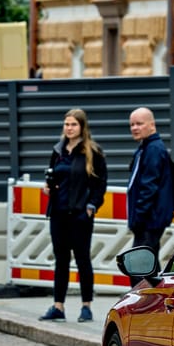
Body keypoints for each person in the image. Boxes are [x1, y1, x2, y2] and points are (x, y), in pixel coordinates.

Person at [40, 109, 107, 323]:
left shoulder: (92, 152)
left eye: (73, 125)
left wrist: (91, 206)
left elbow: (100, 184)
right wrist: (48, 187)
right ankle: (58, 305)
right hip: (58, 213)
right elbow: (53, 175)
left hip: (80, 214)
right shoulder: (58, 150)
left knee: (82, 259)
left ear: (82, 127)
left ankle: (86, 306)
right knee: (61, 260)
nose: (69, 128)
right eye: (66, 124)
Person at [126, 107, 174, 258]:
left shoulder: (153, 149)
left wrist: (138, 217)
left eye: (139, 124)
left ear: (152, 125)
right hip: (148, 220)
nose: (134, 128)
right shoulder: (146, 147)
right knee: (149, 267)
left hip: (149, 221)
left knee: (139, 266)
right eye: (132, 124)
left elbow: (148, 187)